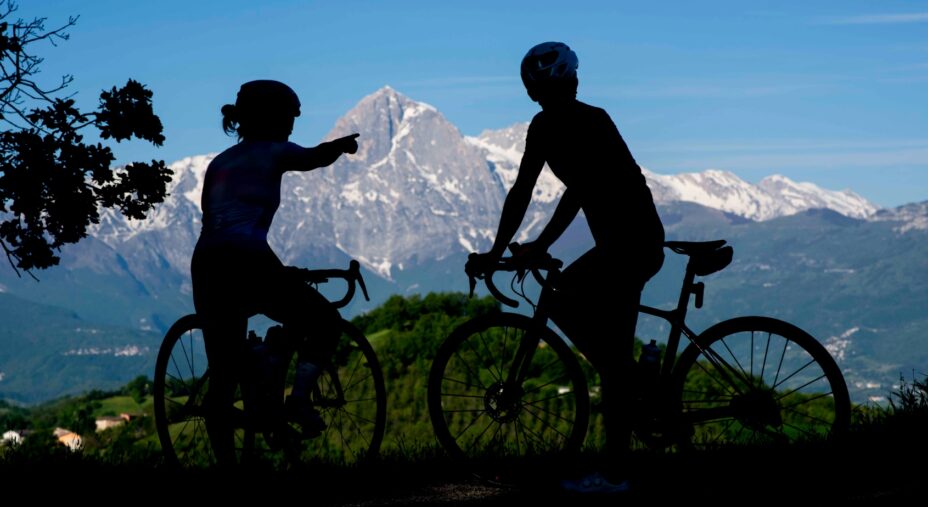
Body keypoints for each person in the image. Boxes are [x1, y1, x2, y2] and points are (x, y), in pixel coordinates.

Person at [467, 42, 665, 493]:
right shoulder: (559, 124)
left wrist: (528, 247)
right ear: (574, 80)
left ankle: (617, 471)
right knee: (599, 340)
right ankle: (634, 379)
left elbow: (576, 191)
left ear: (531, 91)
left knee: (601, 349)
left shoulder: (582, 123)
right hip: (628, 243)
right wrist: (503, 249)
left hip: (629, 245)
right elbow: (523, 192)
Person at [191, 79, 360, 464]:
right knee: (323, 320)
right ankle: (298, 400)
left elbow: (225, 224)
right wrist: (340, 147)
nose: (291, 126)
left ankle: (230, 473)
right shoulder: (272, 151)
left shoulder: (219, 162)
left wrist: (277, 269)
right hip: (246, 259)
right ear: (271, 118)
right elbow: (311, 158)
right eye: (288, 117)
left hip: (207, 263)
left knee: (222, 376)